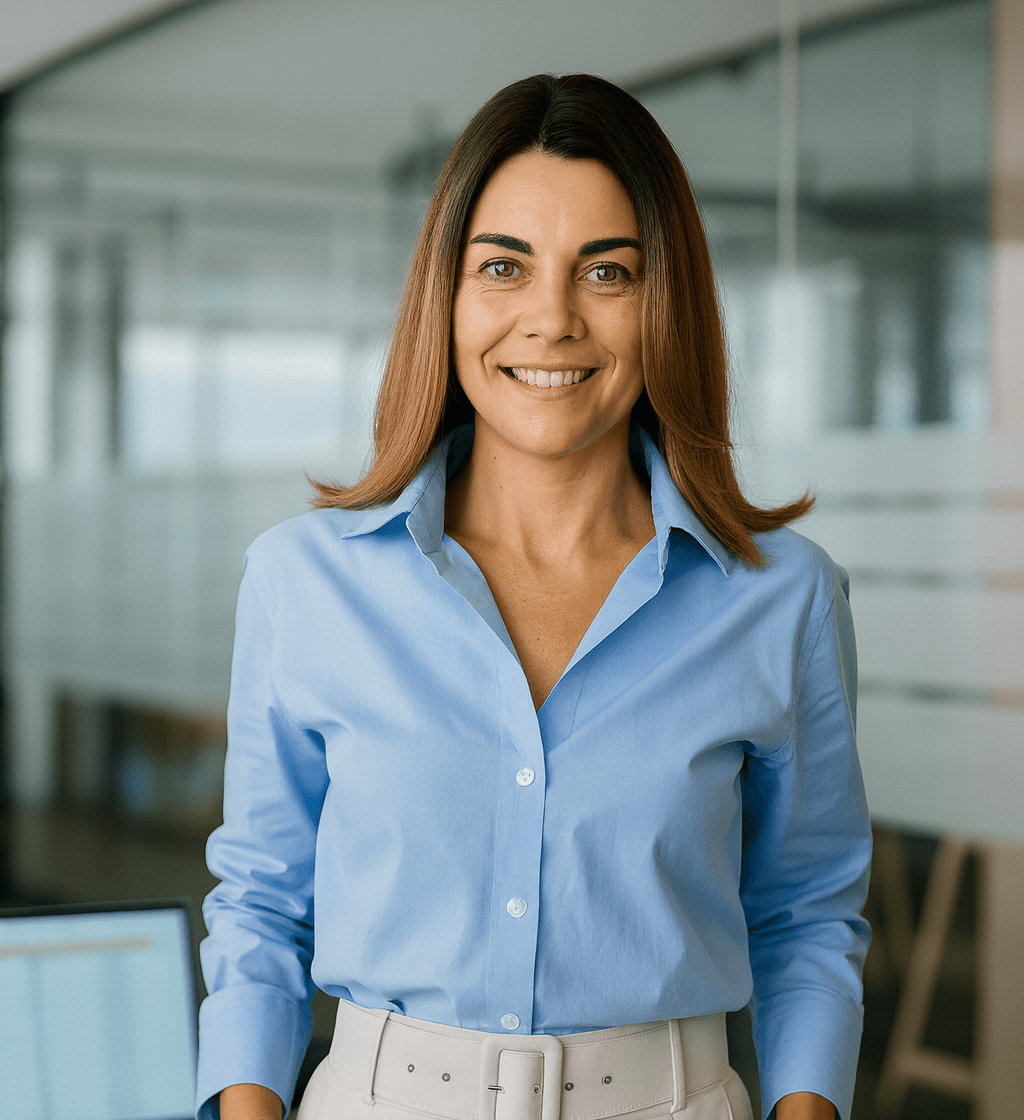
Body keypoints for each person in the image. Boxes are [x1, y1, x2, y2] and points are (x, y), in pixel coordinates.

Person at [196, 74, 871, 1120]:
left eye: (606, 272)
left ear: (664, 302)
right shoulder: (304, 582)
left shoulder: (783, 599)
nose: (549, 320)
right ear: (447, 297)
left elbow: (807, 915)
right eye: (503, 266)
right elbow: (261, 905)